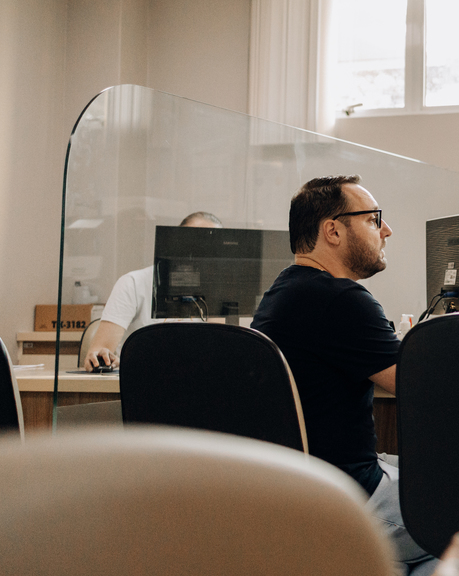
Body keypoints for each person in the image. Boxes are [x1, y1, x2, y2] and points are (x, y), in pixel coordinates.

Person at [251, 175, 435, 576]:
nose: (387, 230)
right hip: (346, 498)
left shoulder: (283, 291)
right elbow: (424, 389)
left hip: (298, 491)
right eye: (373, 219)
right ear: (333, 230)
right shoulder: (341, 300)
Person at [84, 211, 222, 371]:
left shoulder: (216, 289)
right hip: (144, 380)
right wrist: (102, 357)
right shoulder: (133, 283)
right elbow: (99, 352)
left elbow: (217, 351)